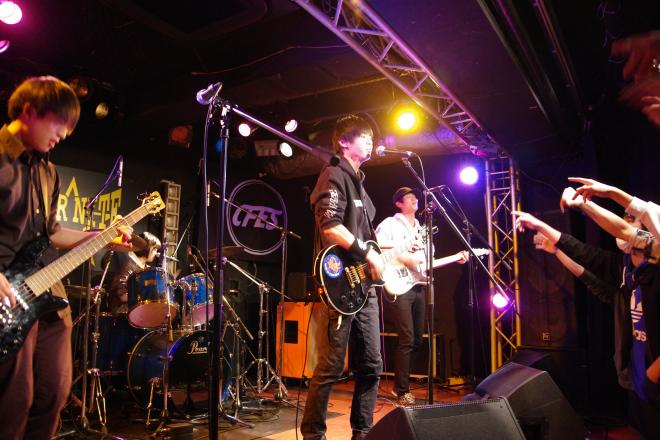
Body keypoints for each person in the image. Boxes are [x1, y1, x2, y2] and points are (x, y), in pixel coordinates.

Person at [0, 76, 131, 439]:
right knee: (14, 402)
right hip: (10, 296)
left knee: (54, 393)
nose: (64, 134)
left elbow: (53, 233)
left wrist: (102, 237)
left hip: (50, 293)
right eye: (59, 124)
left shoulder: (48, 171)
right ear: (29, 111)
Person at [514, 197, 660, 438]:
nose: (622, 225)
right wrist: (554, 246)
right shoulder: (626, 269)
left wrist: (650, 379)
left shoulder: (655, 273)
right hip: (636, 379)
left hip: (652, 380)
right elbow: (588, 269)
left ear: (646, 234)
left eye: (629, 221)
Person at [301, 115, 383, 440]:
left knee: (372, 365)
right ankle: (313, 435)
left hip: (364, 286)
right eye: (364, 136)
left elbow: (367, 238)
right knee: (331, 365)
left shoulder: (359, 183)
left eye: (372, 137)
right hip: (339, 284)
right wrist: (367, 253)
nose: (371, 141)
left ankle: (363, 432)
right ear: (344, 142)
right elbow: (330, 225)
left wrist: (386, 253)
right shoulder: (333, 174)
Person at [375, 187, 467, 406]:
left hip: (417, 284)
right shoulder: (390, 224)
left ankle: (402, 383)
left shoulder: (423, 229)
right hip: (398, 283)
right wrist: (404, 255)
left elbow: (426, 261)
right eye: (408, 197)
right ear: (398, 203)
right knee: (407, 338)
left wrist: (455, 257)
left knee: (417, 339)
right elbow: (377, 245)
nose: (414, 199)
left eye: (415, 196)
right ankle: (402, 390)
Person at [103, 231, 161, 315]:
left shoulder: (146, 268)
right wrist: (145, 296)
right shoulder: (128, 265)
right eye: (154, 249)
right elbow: (122, 296)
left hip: (139, 311)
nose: (156, 253)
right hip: (123, 313)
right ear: (146, 248)